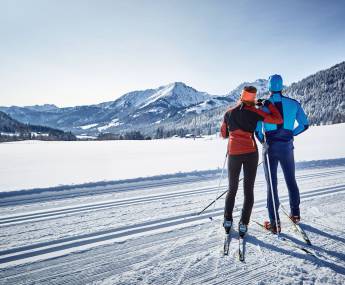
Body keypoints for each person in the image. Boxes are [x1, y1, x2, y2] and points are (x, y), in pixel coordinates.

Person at [220, 86, 283, 237]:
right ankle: (244, 224)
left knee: (232, 188)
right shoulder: (255, 111)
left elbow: (223, 134)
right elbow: (278, 119)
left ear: (241, 96)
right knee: (248, 190)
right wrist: (267, 105)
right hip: (250, 153)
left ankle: (227, 221)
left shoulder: (228, 113)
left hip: (234, 153)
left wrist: (231, 129)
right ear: (253, 98)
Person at [255, 74, 309, 234]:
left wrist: (264, 143)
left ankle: (275, 223)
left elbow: (258, 132)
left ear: (269, 87)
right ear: (282, 86)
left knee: (272, 185)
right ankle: (296, 214)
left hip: (270, 148)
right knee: (291, 180)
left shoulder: (263, 107)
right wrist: (290, 134)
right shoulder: (293, 104)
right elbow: (304, 125)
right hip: (287, 147)